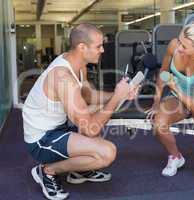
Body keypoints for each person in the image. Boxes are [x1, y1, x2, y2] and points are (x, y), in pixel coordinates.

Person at [22, 23, 138, 200]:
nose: (102, 51)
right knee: (106, 153)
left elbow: (89, 95)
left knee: (95, 112)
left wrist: (119, 93)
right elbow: (90, 128)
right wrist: (116, 99)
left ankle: (78, 171)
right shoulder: (63, 77)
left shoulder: (76, 64)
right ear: (82, 47)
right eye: (99, 46)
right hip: (42, 139)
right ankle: (47, 170)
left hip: (59, 126)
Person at [146, 21, 194, 198]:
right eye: (179, 41)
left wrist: (176, 87)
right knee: (158, 124)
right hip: (177, 98)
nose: (178, 47)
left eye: (184, 45)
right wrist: (157, 101)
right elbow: (163, 73)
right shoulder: (174, 46)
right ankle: (176, 157)